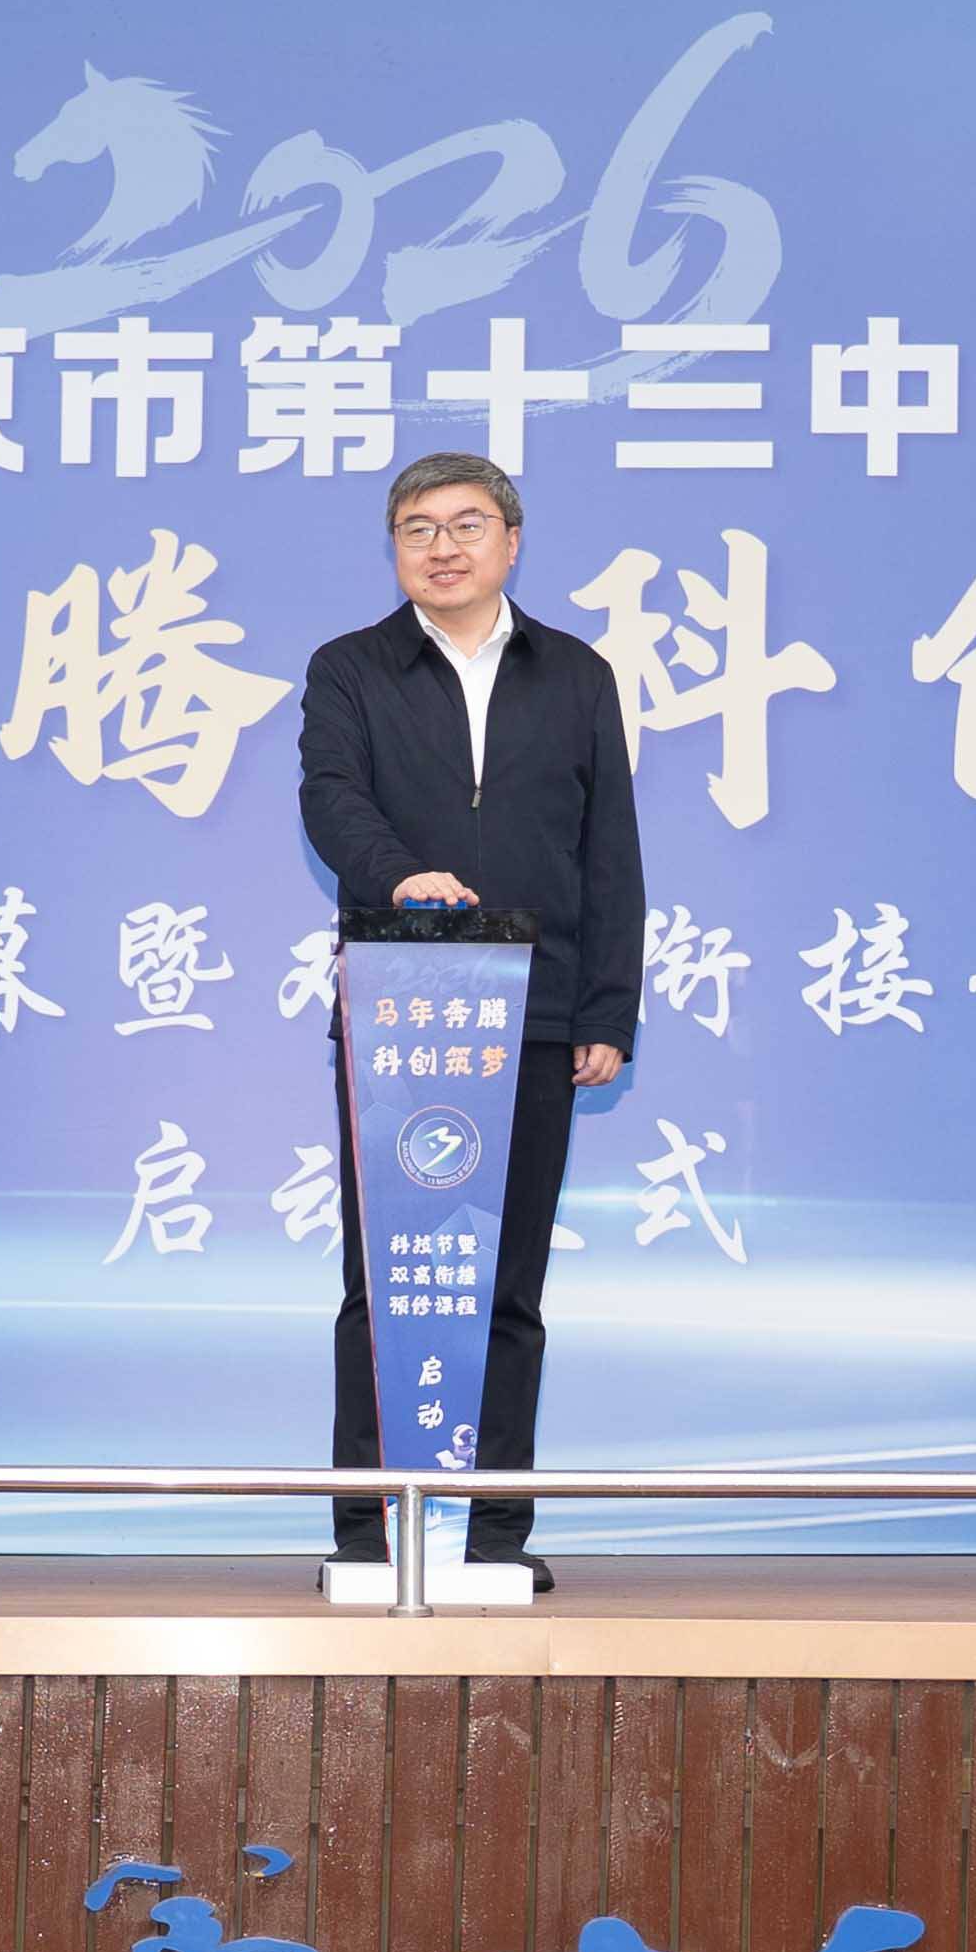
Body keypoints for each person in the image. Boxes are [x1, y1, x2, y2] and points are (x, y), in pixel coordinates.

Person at [292, 449, 642, 1591]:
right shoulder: (350, 668)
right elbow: (330, 800)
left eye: (466, 524)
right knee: (384, 1283)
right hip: (398, 1014)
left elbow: (610, 850)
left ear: (512, 541)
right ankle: (369, 1534)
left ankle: (492, 1535)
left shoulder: (576, 674)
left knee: (507, 1285)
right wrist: (400, 877)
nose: (442, 547)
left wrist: (607, 1008)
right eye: (417, 528)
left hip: (533, 1014)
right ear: (393, 549)